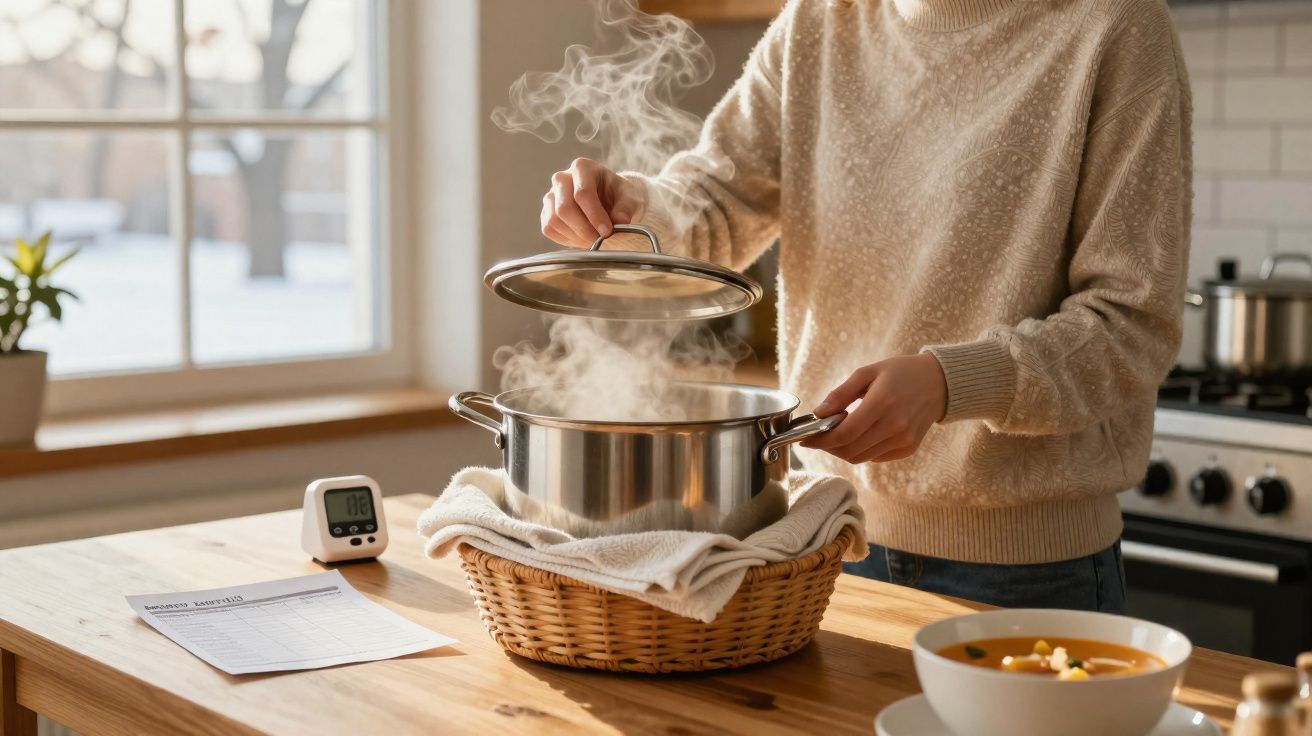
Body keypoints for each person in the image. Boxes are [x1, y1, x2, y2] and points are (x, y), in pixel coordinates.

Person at [538, 0, 1191, 612]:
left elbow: (1132, 323)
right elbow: (714, 206)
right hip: (822, 539)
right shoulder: (822, 20)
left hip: (1027, 575)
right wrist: (630, 206)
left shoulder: (1115, 26)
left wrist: (949, 384)